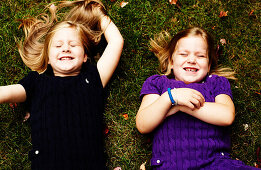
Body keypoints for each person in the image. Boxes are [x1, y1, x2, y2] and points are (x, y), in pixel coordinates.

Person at [0, 0, 123, 169]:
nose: (65, 48)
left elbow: (116, 42)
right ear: (48, 59)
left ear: (85, 56)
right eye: (58, 45)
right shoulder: (36, 83)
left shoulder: (93, 78)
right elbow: (6, 92)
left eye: (73, 45)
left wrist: (98, 14)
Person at [136, 27, 257, 169]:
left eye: (200, 56)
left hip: (216, 163)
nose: (192, 60)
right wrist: (171, 97)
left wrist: (180, 106)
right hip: (171, 165)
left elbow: (226, 116)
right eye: (183, 54)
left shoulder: (216, 83)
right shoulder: (158, 83)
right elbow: (143, 124)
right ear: (171, 62)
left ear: (209, 64)